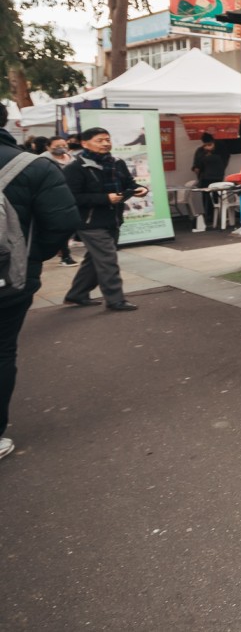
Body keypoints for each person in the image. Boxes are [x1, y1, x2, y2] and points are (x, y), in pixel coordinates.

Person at [0, 110, 80, 461]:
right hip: (8, 278)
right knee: (2, 350)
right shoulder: (32, 167)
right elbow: (62, 223)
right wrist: (29, 258)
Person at [62, 127, 146, 311]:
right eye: (100, 140)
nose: (106, 143)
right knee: (108, 260)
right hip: (89, 222)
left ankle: (76, 294)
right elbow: (72, 197)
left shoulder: (116, 163)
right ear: (85, 143)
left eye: (107, 139)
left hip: (113, 219)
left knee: (94, 259)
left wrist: (140, 189)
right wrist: (105, 198)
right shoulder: (74, 168)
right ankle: (116, 300)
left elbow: (129, 184)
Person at [41, 138, 78, 266]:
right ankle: (65, 255)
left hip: (74, 195)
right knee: (62, 226)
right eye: (57, 146)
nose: (61, 147)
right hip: (55, 198)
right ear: (48, 147)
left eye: (64, 145)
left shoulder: (73, 160)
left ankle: (63, 250)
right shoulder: (42, 161)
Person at [190, 132, 231, 227]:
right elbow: (196, 166)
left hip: (216, 177)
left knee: (215, 198)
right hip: (206, 178)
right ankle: (209, 216)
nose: (207, 146)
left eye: (209, 144)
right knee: (207, 198)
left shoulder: (220, 149)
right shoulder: (201, 151)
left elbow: (223, 161)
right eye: (205, 145)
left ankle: (215, 217)